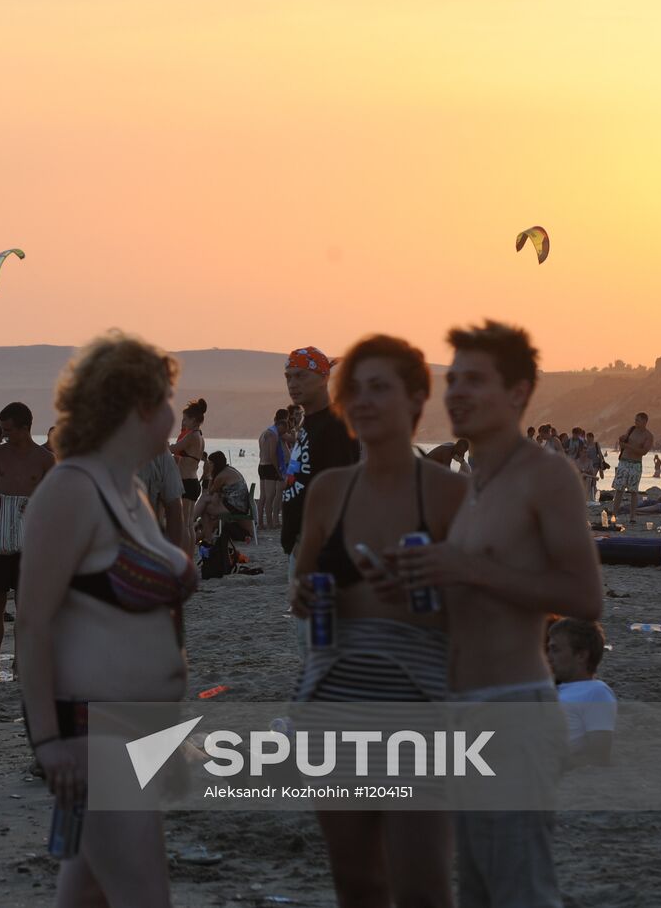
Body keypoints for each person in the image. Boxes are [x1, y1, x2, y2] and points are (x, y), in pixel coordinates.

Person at [391, 320, 603, 908]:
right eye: (452, 378)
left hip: (513, 711)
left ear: (517, 392)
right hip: (459, 714)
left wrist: (467, 570)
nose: (455, 391)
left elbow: (585, 597)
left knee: (519, 888)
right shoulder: (477, 482)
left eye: (474, 380)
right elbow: (477, 596)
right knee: (480, 891)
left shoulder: (546, 475)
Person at [289, 335, 468, 908]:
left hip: (417, 702)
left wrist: (431, 594)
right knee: (358, 884)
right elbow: (305, 583)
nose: (363, 401)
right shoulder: (328, 492)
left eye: (380, 388)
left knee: (421, 886)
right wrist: (306, 597)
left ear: (417, 398)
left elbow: (494, 611)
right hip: (334, 698)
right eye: (355, 390)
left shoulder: (450, 495)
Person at [18, 332, 195, 906]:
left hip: (141, 733)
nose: (174, 413)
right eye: (168, 399)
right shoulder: (70, 490)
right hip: (93, 738)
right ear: (140, 406)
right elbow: (34, 625)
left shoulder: (132, 491)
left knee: (89, 895)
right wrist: (47, 741)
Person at [281, 346, 360, 652]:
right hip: (301, 548)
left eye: (300, 375)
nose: (292, 383)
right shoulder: (308, 425)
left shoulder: (335, 426)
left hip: (319, 551)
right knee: (309, 641)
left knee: (319, 643)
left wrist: (313, 540)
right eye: (288, 376)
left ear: (323, 377)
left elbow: (340, 488)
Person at [0, 401, 54, 681]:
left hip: (32, 542)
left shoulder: (45, 459)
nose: (4, 434)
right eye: (2, 429)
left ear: (26, 427)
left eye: (9, 430)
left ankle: (20, 665)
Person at [547, 617, 617, 768]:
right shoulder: (553, 689)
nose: (548, 657)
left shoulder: (596, 692)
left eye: (555, 650)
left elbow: (599, 757)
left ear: (581, 656)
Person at [170, 398, 207, 554]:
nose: (184, 422)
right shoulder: (200, 437)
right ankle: (189, 556)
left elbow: (174, 448)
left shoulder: (191, 436)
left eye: (185, 419)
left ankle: (185, 556)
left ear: (193, 420)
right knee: (190, 524)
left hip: (186, 481)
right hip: (193, 481)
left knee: (185, 523)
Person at [192, 451, 253, 542]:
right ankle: (200, 531)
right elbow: (215, 495)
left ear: (216, 463)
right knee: (205, 501)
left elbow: (210, 491)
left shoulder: (221, 476)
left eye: (211, 463)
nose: (209, 465)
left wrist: (210, 475)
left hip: (236, 507)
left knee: (204, 507)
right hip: (238, 505)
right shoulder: (229, 470)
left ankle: (192, 522)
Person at [609, 412, 654, 524]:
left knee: (634, 491)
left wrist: (628, 446)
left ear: (644, 421)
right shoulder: (631, 429)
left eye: (638, 420)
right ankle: (614, 514)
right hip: (624, 462)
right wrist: (622, 439)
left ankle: (632, 516)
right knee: (619, 489)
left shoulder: (648, 436)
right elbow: (624, 440)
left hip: (635, 464)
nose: (635, 422)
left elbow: (643, 452)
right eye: (635, 420)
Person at [137, 448, 185, 546]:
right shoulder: (159, 452)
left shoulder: (159, 452)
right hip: (146, 543)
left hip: (145, 543)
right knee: (188, 524)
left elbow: (174, 509)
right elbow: (175, 509)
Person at [257, 409, 289, 530]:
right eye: (283, 430)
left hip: (261, 465)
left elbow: (261, 452)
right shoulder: (273, 435)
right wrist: (278, 470)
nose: (283, 433)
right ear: (280, 425)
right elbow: (272, 455)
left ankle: (260, 522)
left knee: (263, 496)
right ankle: (269, 523)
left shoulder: (264, 433)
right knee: (270, 496)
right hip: (270, 467)